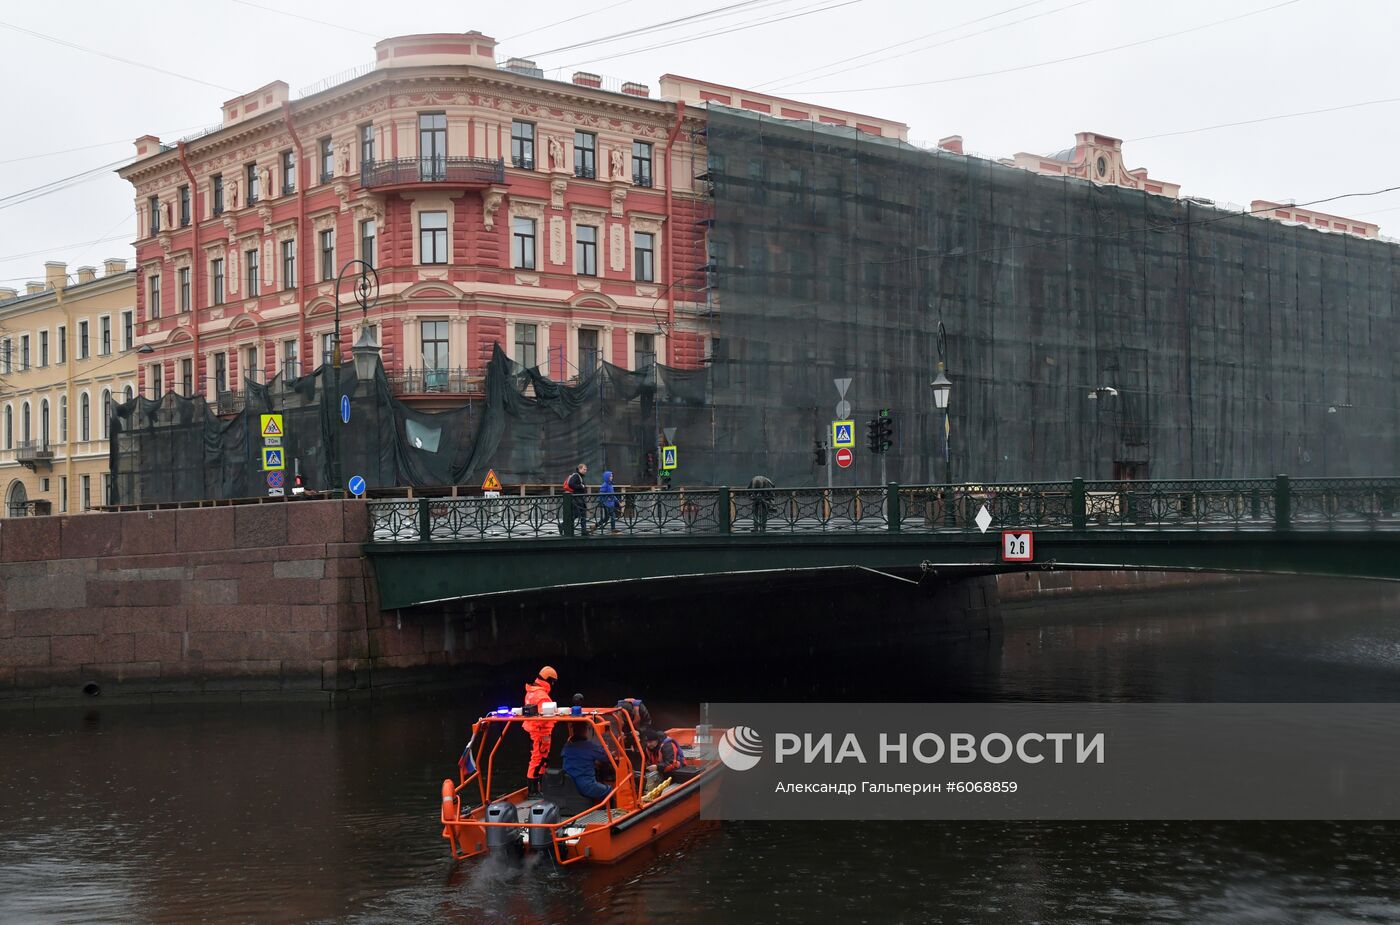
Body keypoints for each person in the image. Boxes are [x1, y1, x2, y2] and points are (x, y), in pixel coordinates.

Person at [523, 665, 558, 795]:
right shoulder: (541, 695)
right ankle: (533, 791)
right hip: (541, 731)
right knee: (538, 759)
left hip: (535, 731)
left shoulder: (531, 692)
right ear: (549, 680)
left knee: (539, 759)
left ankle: (539, 788)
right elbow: (545, 716)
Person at [561, 722, 613, 803]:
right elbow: (607, 757)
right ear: (586, 730)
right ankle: (612, 812)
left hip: (569, 785)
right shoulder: (589, 747)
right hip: (586, 786)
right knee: (611, 791)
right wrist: (608, 749)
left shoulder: (567, 747)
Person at [565, 463, 589, 536]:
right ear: (579, 469)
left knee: (579, 514)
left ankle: (583, 531)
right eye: (584, 469)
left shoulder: (579, 476)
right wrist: (581, 486)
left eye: (586, 469)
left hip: (579, 498)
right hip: (577, 498)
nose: (585, 471)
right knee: (578, 514)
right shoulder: (576, 476)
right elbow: (571, 484)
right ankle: (583, 531)